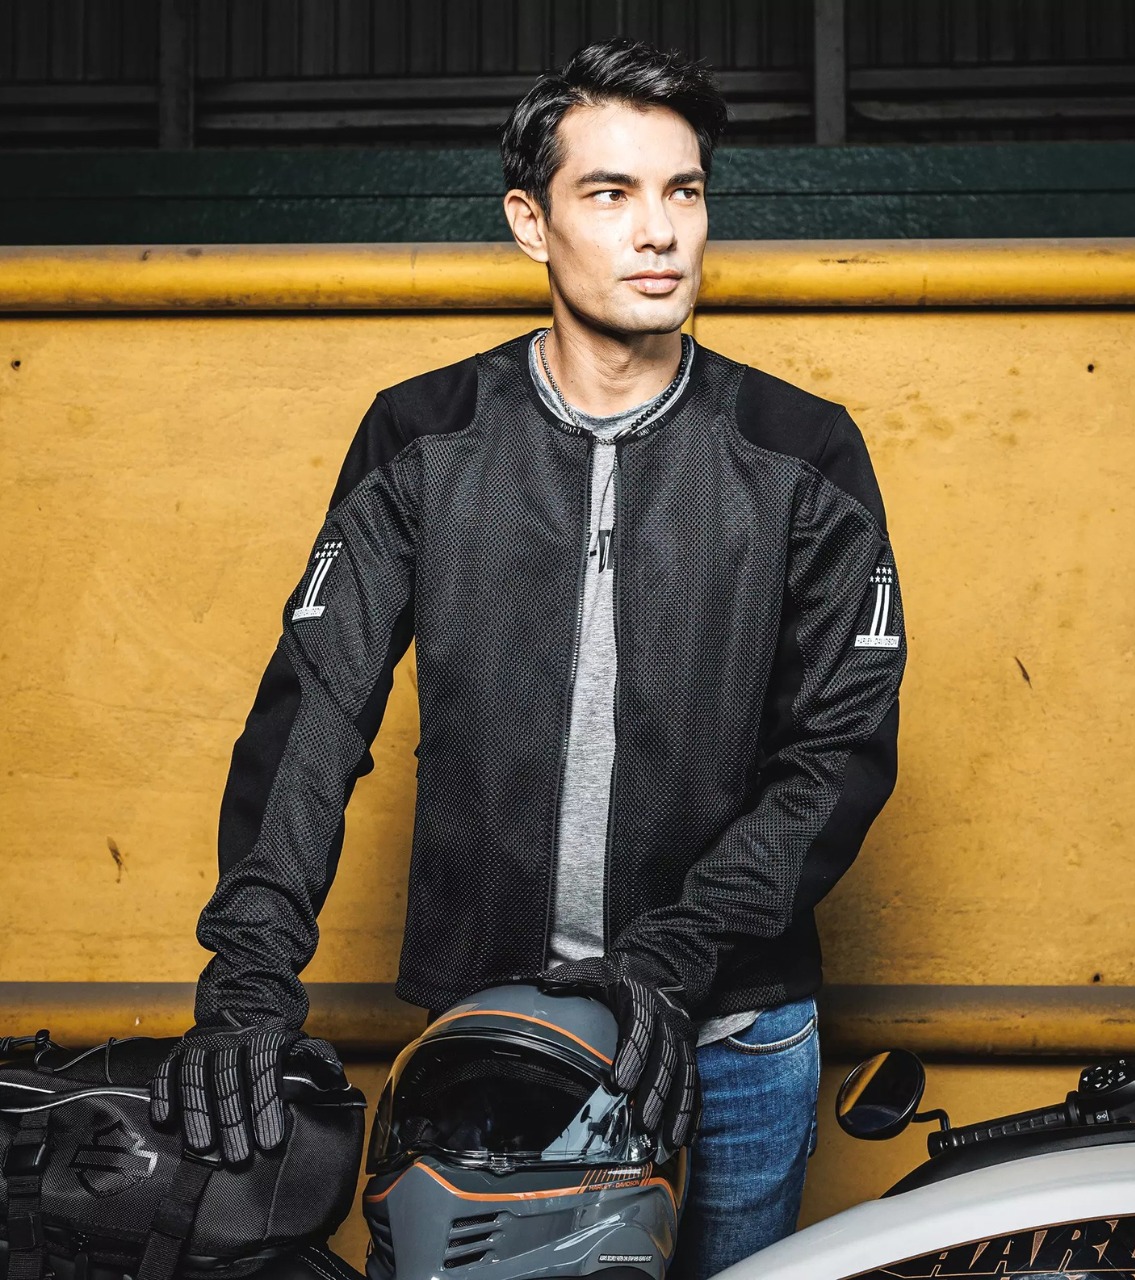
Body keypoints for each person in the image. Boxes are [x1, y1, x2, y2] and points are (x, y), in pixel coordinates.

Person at [148, 35, 906, 1280]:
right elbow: (314, 715)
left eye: (683, 190)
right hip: (488, 1030)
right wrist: (247, 972)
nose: (658, 231)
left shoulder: (799, 453)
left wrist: (672, 955)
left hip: (725, 1041)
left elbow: (840, 747)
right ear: (528, 222)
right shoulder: (423, 436)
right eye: (609, 193)